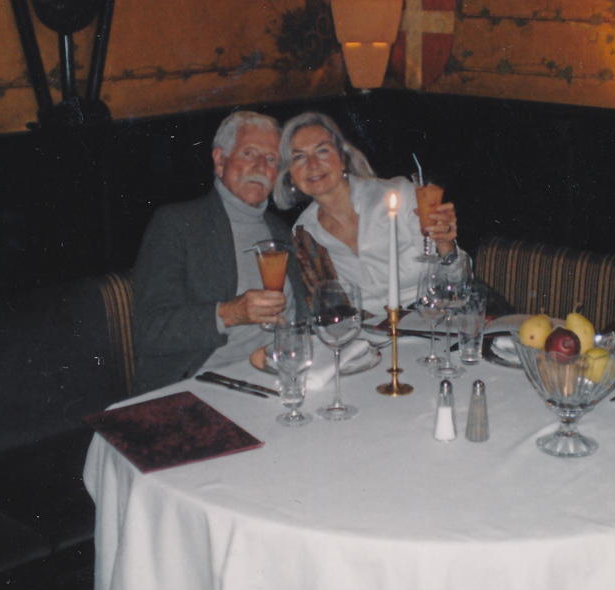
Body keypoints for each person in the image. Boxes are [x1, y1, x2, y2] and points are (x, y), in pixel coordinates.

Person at [131, 111, 307, 394]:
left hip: (277, 376)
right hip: (207, 383)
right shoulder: (178, 224)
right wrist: (228, 314)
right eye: (249, 153)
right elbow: (149, 331)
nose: (261, 166)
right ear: (220, 160)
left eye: (272, 159)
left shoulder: (280, 231)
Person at [273, 112, 459, 316]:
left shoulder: (399, 194)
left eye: (322, 151)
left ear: (343, 159)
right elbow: (322, 308)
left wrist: (446, 246)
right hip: (368, 333)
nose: (312, 164)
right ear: (290, 175)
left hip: (433, 319)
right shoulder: (304, 234)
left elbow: (457, 280)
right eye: (299, 157)